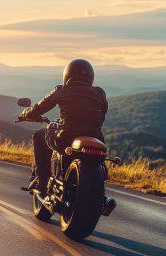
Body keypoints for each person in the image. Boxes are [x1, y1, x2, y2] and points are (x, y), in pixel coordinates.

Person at [18, 59, 108, 193]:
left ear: (67, 74)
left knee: (39, 136)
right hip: (96, 138)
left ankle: (42, 183)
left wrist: (26, 113)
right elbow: (102, 115)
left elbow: (38, 108)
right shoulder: (100, 93)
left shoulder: (62, 90)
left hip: (67, 137)